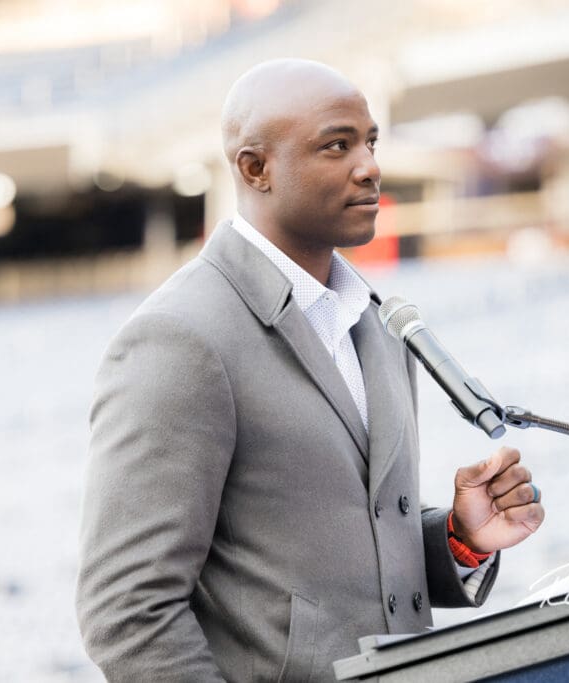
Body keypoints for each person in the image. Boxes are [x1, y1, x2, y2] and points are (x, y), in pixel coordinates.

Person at [75, 59, 544, 682]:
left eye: (371, 141)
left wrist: (460, 538)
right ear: (255, 168)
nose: (370, 165)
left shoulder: (379, 322)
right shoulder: (179, 340)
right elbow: (127, 610)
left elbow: (348, 567)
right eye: (337, 145)